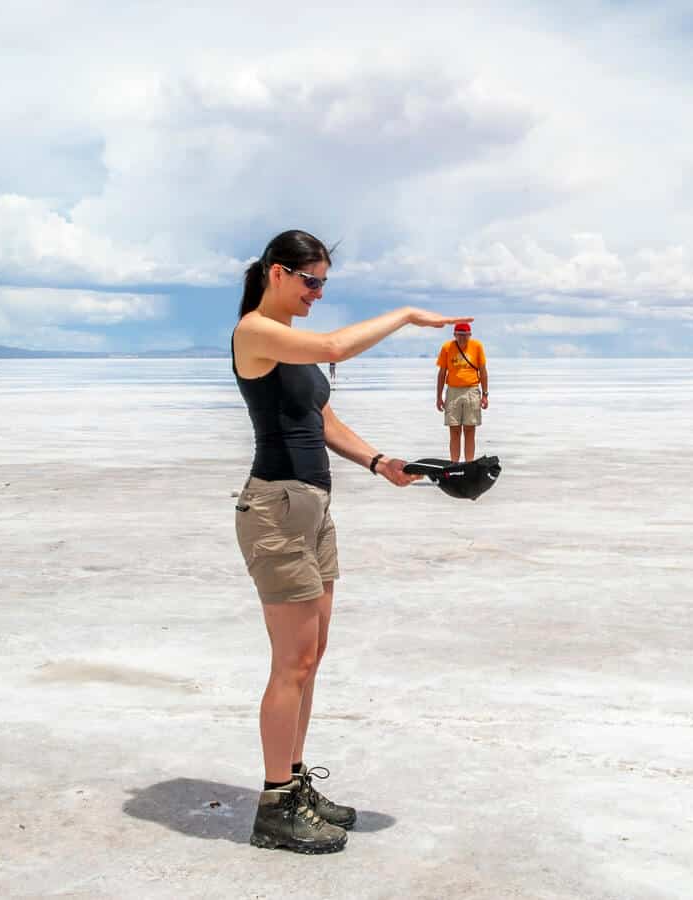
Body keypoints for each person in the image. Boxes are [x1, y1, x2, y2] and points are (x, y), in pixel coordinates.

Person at [231, 230, 470, 854]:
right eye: (311, 281)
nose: (318, 293)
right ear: (276, 273)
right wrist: (408, 315)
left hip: (312, 508)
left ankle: (295, 783)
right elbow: (339, 344)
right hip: (276, 509)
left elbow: (322, 419)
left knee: (311, 659)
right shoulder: (256, 331)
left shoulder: (297, 347)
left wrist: (379, 461)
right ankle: (274, 805)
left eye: (324, 284)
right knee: (291, 663)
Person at [435, 321, 489, 462]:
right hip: (453, 392)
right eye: (460, 335)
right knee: (454, 430)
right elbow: (442, 373)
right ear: (454, 335)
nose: (463, 338)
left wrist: (485, 395)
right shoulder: (447, 347)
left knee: (470, 430)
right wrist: (439, 397)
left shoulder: (477, 346)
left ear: (470, 335)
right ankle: (454, 464)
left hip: (472, 390)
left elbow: (483, 371)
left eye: (465, 335)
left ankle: (469, 464)